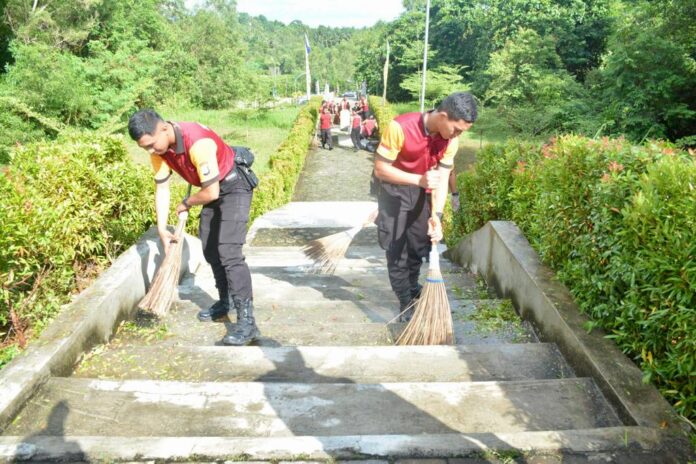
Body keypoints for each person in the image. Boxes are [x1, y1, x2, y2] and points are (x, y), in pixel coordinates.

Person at [127, 109, 260, 346]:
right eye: (144, 147)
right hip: (212, 189)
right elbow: (162, 188)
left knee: (229, 252)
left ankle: (247, 322)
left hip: (233, 185)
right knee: (210, 249)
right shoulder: (160, 149)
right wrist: (161, 229)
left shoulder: (198, 142)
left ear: (164, 129)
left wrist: (187, 202)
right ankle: (224, 301)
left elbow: (211, 192)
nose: (150, 151)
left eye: (151, 144)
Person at [373, 92, 477, 321]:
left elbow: (441, 179)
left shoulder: (451, 140)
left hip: (423, 191)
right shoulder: (400, 127)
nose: (458, 135)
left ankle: (411, 287)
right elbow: (380, 169)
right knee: (397, 249)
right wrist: (417, 179)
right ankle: (404, 302)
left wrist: (437, 216)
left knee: (418, 246)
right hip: (394, 191)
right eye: (457, 129)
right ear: (442, 116)